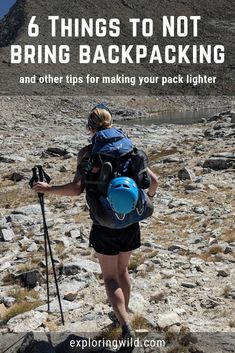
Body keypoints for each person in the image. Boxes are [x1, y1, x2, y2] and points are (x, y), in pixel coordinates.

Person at [33, 104, 159, 338]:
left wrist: (49, 189)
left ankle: (125, 325)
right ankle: (124, 314)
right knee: (123, 272)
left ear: (90, 127)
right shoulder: (131, 148)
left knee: (110, 277)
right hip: (130, 221)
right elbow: (154, 182)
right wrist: (147, 201)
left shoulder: (88, 153)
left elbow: (77, 189)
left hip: (103, 224)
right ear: (111, 123)